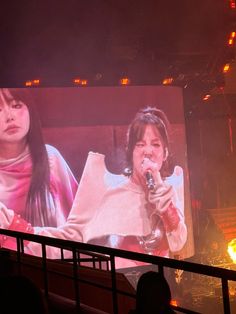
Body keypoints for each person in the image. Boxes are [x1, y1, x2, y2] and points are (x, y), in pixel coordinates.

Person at [1, 106, 187, 267]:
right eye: (140, 145)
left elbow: (178, 242)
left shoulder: (170, 189)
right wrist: (19, 228)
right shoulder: (109, 189)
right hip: (118, 290)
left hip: (157, 288)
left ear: (165, 153)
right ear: (131, 152)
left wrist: (162, 200)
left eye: (155, 145)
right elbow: (69, 238)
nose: (148, 151)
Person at [0, 88, 78, 249]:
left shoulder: (50, 159)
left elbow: (78, 226)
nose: (10, 116)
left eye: (16, 105)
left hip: (54, 264)